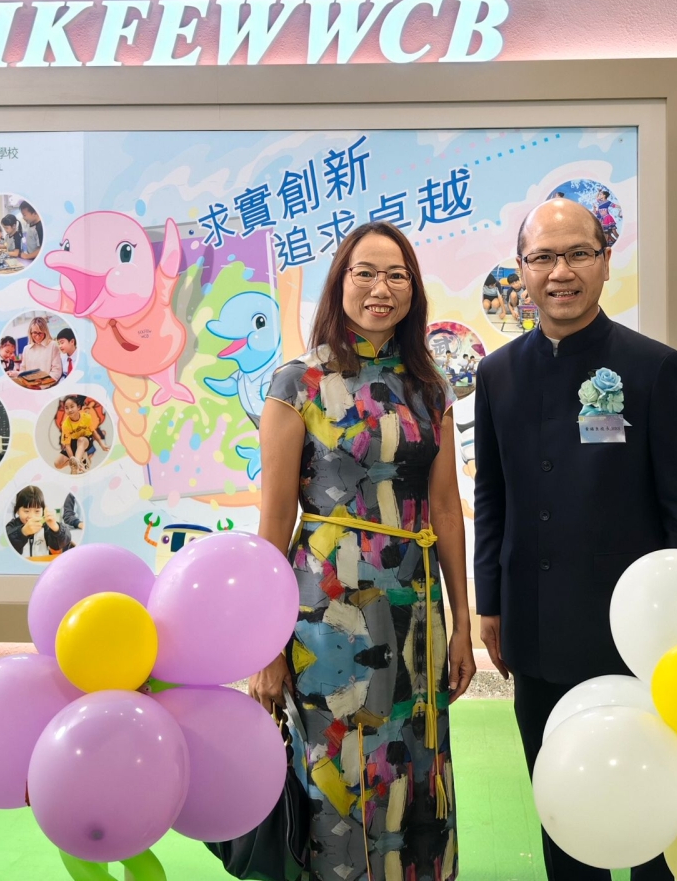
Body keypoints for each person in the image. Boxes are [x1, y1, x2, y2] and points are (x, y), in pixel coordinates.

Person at [472, 198, 677, 881]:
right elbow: (493, 497)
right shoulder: (497, 374)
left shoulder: (654, 368)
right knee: (565, 809)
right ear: (521, 270)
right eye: (543, 258)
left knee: (651, 817)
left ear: (606, 262)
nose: (561, 273)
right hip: (535, 630)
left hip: (635, 639)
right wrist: (491, 603)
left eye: (578, 253)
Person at [253, 221, 474, 881]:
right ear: (339, 284)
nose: (382, 288)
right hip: (326, 614)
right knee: (336, 767)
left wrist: (463, 624)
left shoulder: (430, 387)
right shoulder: (296, 383)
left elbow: (445, 511)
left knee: (415, 762)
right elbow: (275, 519)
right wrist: (264, 644)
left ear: (414, 290)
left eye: (396, 275)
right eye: (365, 273)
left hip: (416, 611)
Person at [6, 485, 67, 558]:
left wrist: (55, 527)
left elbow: (61, 543)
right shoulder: (12, 526)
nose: (32, 516)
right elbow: (6, 548)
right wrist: (23, 532)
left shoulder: (46, 526)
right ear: (17, 511)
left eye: (37, 511)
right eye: (26, 511)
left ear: (43, 510)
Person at [54, 395, 99, 473]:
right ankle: (78, 462)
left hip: (86, 440)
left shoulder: (86, 417)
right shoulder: (65, 424)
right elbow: (67, 445)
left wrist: (102, 445)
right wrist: (72, 460)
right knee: (57, 464)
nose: (70, 410)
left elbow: (93, 431)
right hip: (74, 442)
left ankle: (78, 464)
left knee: (81, 440)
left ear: (78, 407)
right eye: (66, 408)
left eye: (72, 407)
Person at [18, 316, 62, 384]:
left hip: (48, 385)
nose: (38, 336)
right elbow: (23, 370)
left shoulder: (52, 345)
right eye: (35, 333)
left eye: (40, 333)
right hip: (30, 386)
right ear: (30, 332)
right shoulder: (26, 349)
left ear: (45, 332)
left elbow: (57, 370)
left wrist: (44, 383)